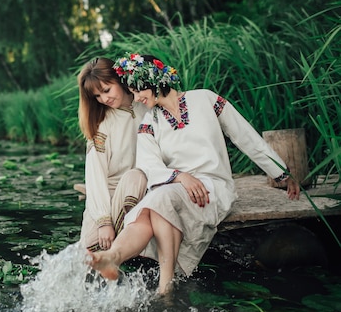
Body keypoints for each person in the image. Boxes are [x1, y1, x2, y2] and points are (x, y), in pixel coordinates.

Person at [88, 53, 300, 294]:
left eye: (137, 91)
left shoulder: (205, 100)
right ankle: (118, 260)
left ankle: (155, 279)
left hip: (213, 186)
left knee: (158, 201)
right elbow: (148, 163)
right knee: (155, 204)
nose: (135, 98)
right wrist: (180, 176)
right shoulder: (151, 120)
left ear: (151, 80)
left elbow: (245, 136)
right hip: (175, 185)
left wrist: (281, 173)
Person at [77, 57, 148, 252]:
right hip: (106, 196)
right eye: (97, 96)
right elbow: (95, 175)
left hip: (140, 187)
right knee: (87, 255)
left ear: (119, 80)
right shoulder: (102, 123)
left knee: (136, 176)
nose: (104, 99)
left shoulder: (146, 106)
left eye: (106, 90)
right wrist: (103, 221)